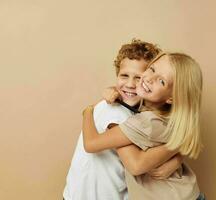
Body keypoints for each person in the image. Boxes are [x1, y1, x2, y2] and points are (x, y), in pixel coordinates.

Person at [63, 39, 183, 200]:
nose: (130, 84)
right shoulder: (115, 113)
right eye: (124, 76)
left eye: (138, 77)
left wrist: (177, 158)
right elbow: (137, 164)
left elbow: (159, 142)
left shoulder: (141, 114)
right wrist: (88, 110)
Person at [82, 52, 205, 200]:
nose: (149, 79)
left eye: (162, 81)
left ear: (172, 98)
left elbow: (91, 144)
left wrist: (88, 110)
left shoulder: (147, 122)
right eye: (152, 69)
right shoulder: (171, 116)